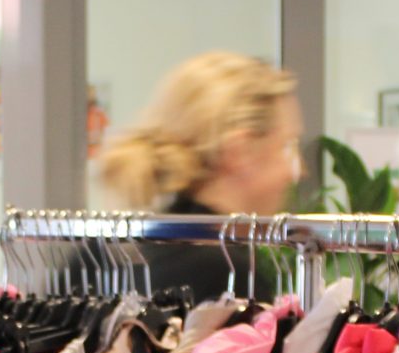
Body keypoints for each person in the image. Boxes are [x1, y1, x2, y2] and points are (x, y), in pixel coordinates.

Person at [95, 51, 303, 303]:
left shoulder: (101, 257)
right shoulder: (225, 276)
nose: (297, 170)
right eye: (286, 147)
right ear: (240, 150)